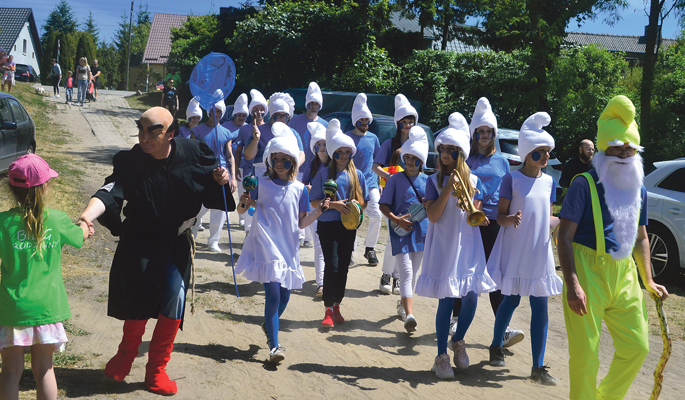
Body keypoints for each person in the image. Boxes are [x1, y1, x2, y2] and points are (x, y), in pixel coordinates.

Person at [78, 107, 232, 396]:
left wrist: (221, 180)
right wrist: (87, 215)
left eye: (154, 131)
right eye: (141, 129)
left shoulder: (193, 153)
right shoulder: (131, 161)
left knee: (174, 300)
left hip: (176, 242)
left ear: (171, 134)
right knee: (139, 297)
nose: (144, 137)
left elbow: (213, 184)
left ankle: (156, 370)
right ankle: (125, 356)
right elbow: (110, 191)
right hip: (141, 239)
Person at [558, 95, 669, 400]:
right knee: (585, 354)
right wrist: (573, 284)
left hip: (624, 273)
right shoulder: (584, 183)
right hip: (587, 269)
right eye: (616, 147)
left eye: (628, 148)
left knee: (637, 346)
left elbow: (642, 236)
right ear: (603, 149)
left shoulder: (640, 189)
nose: (622, 153)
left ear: (636, 150)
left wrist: (648, 279)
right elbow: (564, 236)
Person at [0, 154, 89, 400]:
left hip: (11, 309)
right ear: (45, 186)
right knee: (44, 369)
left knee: (9, 371)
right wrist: (84, 225)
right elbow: (79, 238)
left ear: (10, 188)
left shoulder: (2, 223)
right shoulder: (58, 220)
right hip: (46, 308)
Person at [236, 123, 326, 364]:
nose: (280, 164)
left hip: (288, 248)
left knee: (285, 296)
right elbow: (242, 209)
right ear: (269, 160)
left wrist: (318, 212)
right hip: (265, 244)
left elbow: (301, 222)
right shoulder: (260, 183)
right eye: (276, 159)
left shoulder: (299, 190)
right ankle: (274, 346)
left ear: (293, 164)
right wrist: (244, 202)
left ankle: (268, 325)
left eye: (286, 160)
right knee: (274, 292)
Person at [414, 112, 495, 380]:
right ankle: (440, 356)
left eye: (451, 150)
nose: (445, 154)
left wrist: (478, 216)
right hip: (444, 245)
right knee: (448, 300)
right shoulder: (433, 180)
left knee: (471, 297)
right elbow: (433, 216)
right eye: (442, 149)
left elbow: (476, 215)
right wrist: (448, 188)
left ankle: (458, 340)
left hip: (468, 246)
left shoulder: (474, 181)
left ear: (460, 153)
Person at [486, 112, 563, 386]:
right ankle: (496, 345)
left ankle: (538, 366)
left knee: (540, 304)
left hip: (539, 252)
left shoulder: (549, 182)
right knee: (512, 299)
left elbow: (548, 216)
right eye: (538, 153)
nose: (544, 158)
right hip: (516, 249)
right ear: (527, 153)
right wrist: (512, 219)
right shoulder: (511, 179)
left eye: (547, 153)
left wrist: (561, 223)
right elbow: (500, 217)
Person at [450, 97, 524, 346]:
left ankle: (502, 329)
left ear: (494, 133)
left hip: (495, 225)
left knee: (495, 277)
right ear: (473, 134)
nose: (484, 135)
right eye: (479, 131)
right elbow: (460, 193)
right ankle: (456, 318)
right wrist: (472, 213)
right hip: (470, 224)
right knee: (466, 272)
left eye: (488, 131)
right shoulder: (466, 161)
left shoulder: (503, 161)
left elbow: (508, 194)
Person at [310, 119, 369, 328]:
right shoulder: (324, 173)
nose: (343, 156)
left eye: (347, 153)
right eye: (339, 152)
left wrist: (356, 205)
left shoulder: (357, 175)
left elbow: (365, 201)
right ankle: (327, 309)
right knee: (332, 265)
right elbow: (314, 201)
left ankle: (337, 306)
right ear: (333, 153)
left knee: (343, 266)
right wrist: (333, 205)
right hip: (327, 225)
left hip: (348, 226)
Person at [379, 126, 429, 333]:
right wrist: (396, 220)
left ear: (422, 161)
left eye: (414, 159)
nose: (409, 162)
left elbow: (435, 208)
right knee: (406, 272)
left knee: (413, 273)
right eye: (407, 157)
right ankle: (410, 314)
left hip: (421, 233)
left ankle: (403, 305)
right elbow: (383, 205)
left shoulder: (429, 181)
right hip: (400, 232)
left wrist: (430, 205)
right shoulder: (394, 180)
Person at [373, 94, 417, 294]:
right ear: (398, 123)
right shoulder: (388, 144)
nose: (407, 125)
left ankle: (398, 277)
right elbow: (376, 167)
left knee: (405, 233)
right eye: (404, 122)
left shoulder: (418, 145)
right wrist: (389, 179)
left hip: (410, 193)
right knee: (393, 234)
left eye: (410, 122)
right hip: (392, 192)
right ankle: (386, 274)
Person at [242, 92, 305, 232]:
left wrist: (293, 167)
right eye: (277, 115)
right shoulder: (259, 130)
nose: (281, 119)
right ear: (271, 115)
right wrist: (256, 139)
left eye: (284, 116)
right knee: (257, 209)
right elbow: (248, 155)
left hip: (284, 176)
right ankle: (252, 234)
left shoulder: (293, 133)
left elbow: (301, 154)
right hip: (262, 175)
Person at [190, 100, 238, 253]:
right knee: (198, 208)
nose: (214, 113)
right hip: (202, 173)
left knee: (220, 210)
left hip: (222, 174)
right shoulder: (197, 131)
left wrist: (233, 178)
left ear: (221, 113)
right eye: (212, 110)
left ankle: (213, 241)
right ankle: (191, 235)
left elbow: (230, 156)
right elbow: (191, 153)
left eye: (218, 111)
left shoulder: (226, 133)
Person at [289, 82, 328, 248]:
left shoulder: (325, 124)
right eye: (311, 103)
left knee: (314, 202)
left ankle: (310, 237)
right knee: (299, 202)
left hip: (318, 171)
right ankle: (298, 233)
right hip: (299, 169)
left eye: (317, 104)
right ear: (306, 104)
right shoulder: (295, 122)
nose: (314, 106)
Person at [345, 93, 381, 266]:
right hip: (352, 184)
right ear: (355, 121)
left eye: (367, 121)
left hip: (371, 184)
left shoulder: (374, 138)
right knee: (353, 217)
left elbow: (376, 161)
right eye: (362, 121)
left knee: (377, 215)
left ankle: (370, 248)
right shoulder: (347, 138)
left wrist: (380, 183)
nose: (365, 124)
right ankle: (350, 251)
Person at [300, 123, 329, 298]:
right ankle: (321, 284)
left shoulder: (337, 165)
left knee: (331, 248)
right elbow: (302, 185)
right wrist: (308, 188)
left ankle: (331, 280)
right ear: (314, 147)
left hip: (335, 212)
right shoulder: (311, 165)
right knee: (319, 247)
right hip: (315, 209)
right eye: (318, 145)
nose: (322, 148)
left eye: (325, 144)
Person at [235, 89, 268, 233]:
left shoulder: (270, 128)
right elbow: (238, 151)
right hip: (248, 171)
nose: (259, 112)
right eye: (256, 109)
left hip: (265, 173)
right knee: (247, 200)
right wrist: (236, 168)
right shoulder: (244, 130)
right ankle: (248, 231)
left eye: (261, 109)